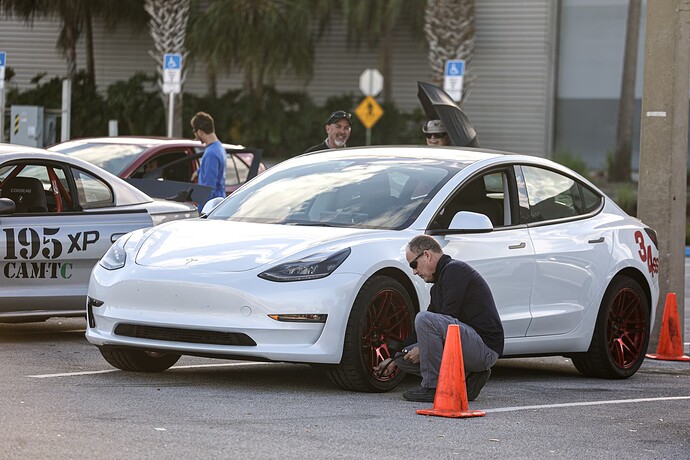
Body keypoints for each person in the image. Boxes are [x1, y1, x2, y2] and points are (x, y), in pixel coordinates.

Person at [375, 234, 504, 403]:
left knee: (425, 319)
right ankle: (468, 378)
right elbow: (428, 331)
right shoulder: (437, 287)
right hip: (468, 348)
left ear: (427, 255)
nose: (414, 271)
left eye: (414, 264)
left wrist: (422, 348)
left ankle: (433, 388)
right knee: (403, 360)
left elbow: (448, 318)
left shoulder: (455, 270)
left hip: (484, 348)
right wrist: (394, 357)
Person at [190, 111, 226, 211]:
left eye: (195, 132)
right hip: (218, 204)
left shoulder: (211, 154)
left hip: (210, 208)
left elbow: (208, 189)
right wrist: (198, 172)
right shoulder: (219, 148)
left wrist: (201, 211)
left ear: (200, 132)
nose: (196, 136)